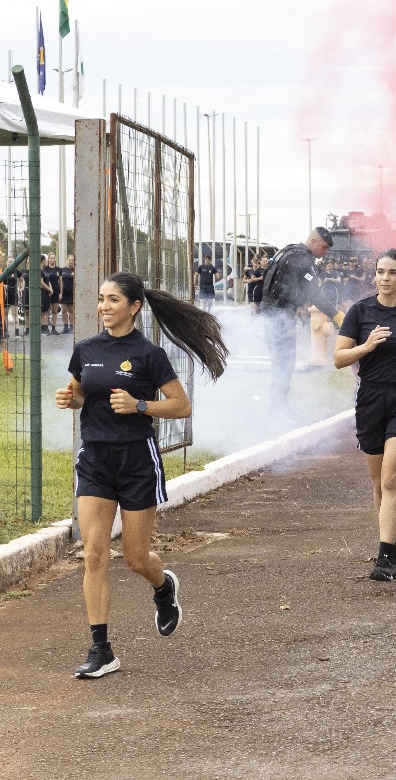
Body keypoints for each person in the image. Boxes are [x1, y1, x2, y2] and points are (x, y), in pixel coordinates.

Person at [54, 271, 228, 678]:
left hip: (136, 462)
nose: (103, 307)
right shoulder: (86, 348)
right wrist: (71, 398)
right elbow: (80, 391)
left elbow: (181, 406)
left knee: (134, 558)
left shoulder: (150, 355)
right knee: (94, 554)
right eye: (101, 299)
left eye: (113, 300)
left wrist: (140, 406)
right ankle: (101, 649)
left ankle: (162, 586)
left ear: (133, 307)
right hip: (95, 459)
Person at [334, 248, 396, 582]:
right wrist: (366, 346)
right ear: (374, 276)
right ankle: (393, 540)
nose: (386, 278)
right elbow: (338, 358)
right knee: (378, 483)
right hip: (370, 398)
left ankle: (386, 557)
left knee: (391, 478)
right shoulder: (361, 312)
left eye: (393, 273)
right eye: (381, 272)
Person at [260, 228, 341, 413]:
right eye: (324, 247)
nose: (325, 252)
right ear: (313, 242)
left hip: (272, 314)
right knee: (284, 364)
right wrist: (337, 316)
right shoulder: (301, 258)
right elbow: (315, 295)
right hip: (280, 315)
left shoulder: (287, 251)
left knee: (280, 363)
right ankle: (278, 410)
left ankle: (277, 408)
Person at [59, 254, 76, 334]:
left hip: (72, 293)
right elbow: (59, 281)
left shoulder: (76, 270)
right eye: (69, 260)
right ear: (67, 261)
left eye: (72, 260)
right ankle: (65, 327)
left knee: (72, 311)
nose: (71, 261)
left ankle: (72, 326)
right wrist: (60, 292)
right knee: (64, 310)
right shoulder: (62, 270)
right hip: (64, 293)